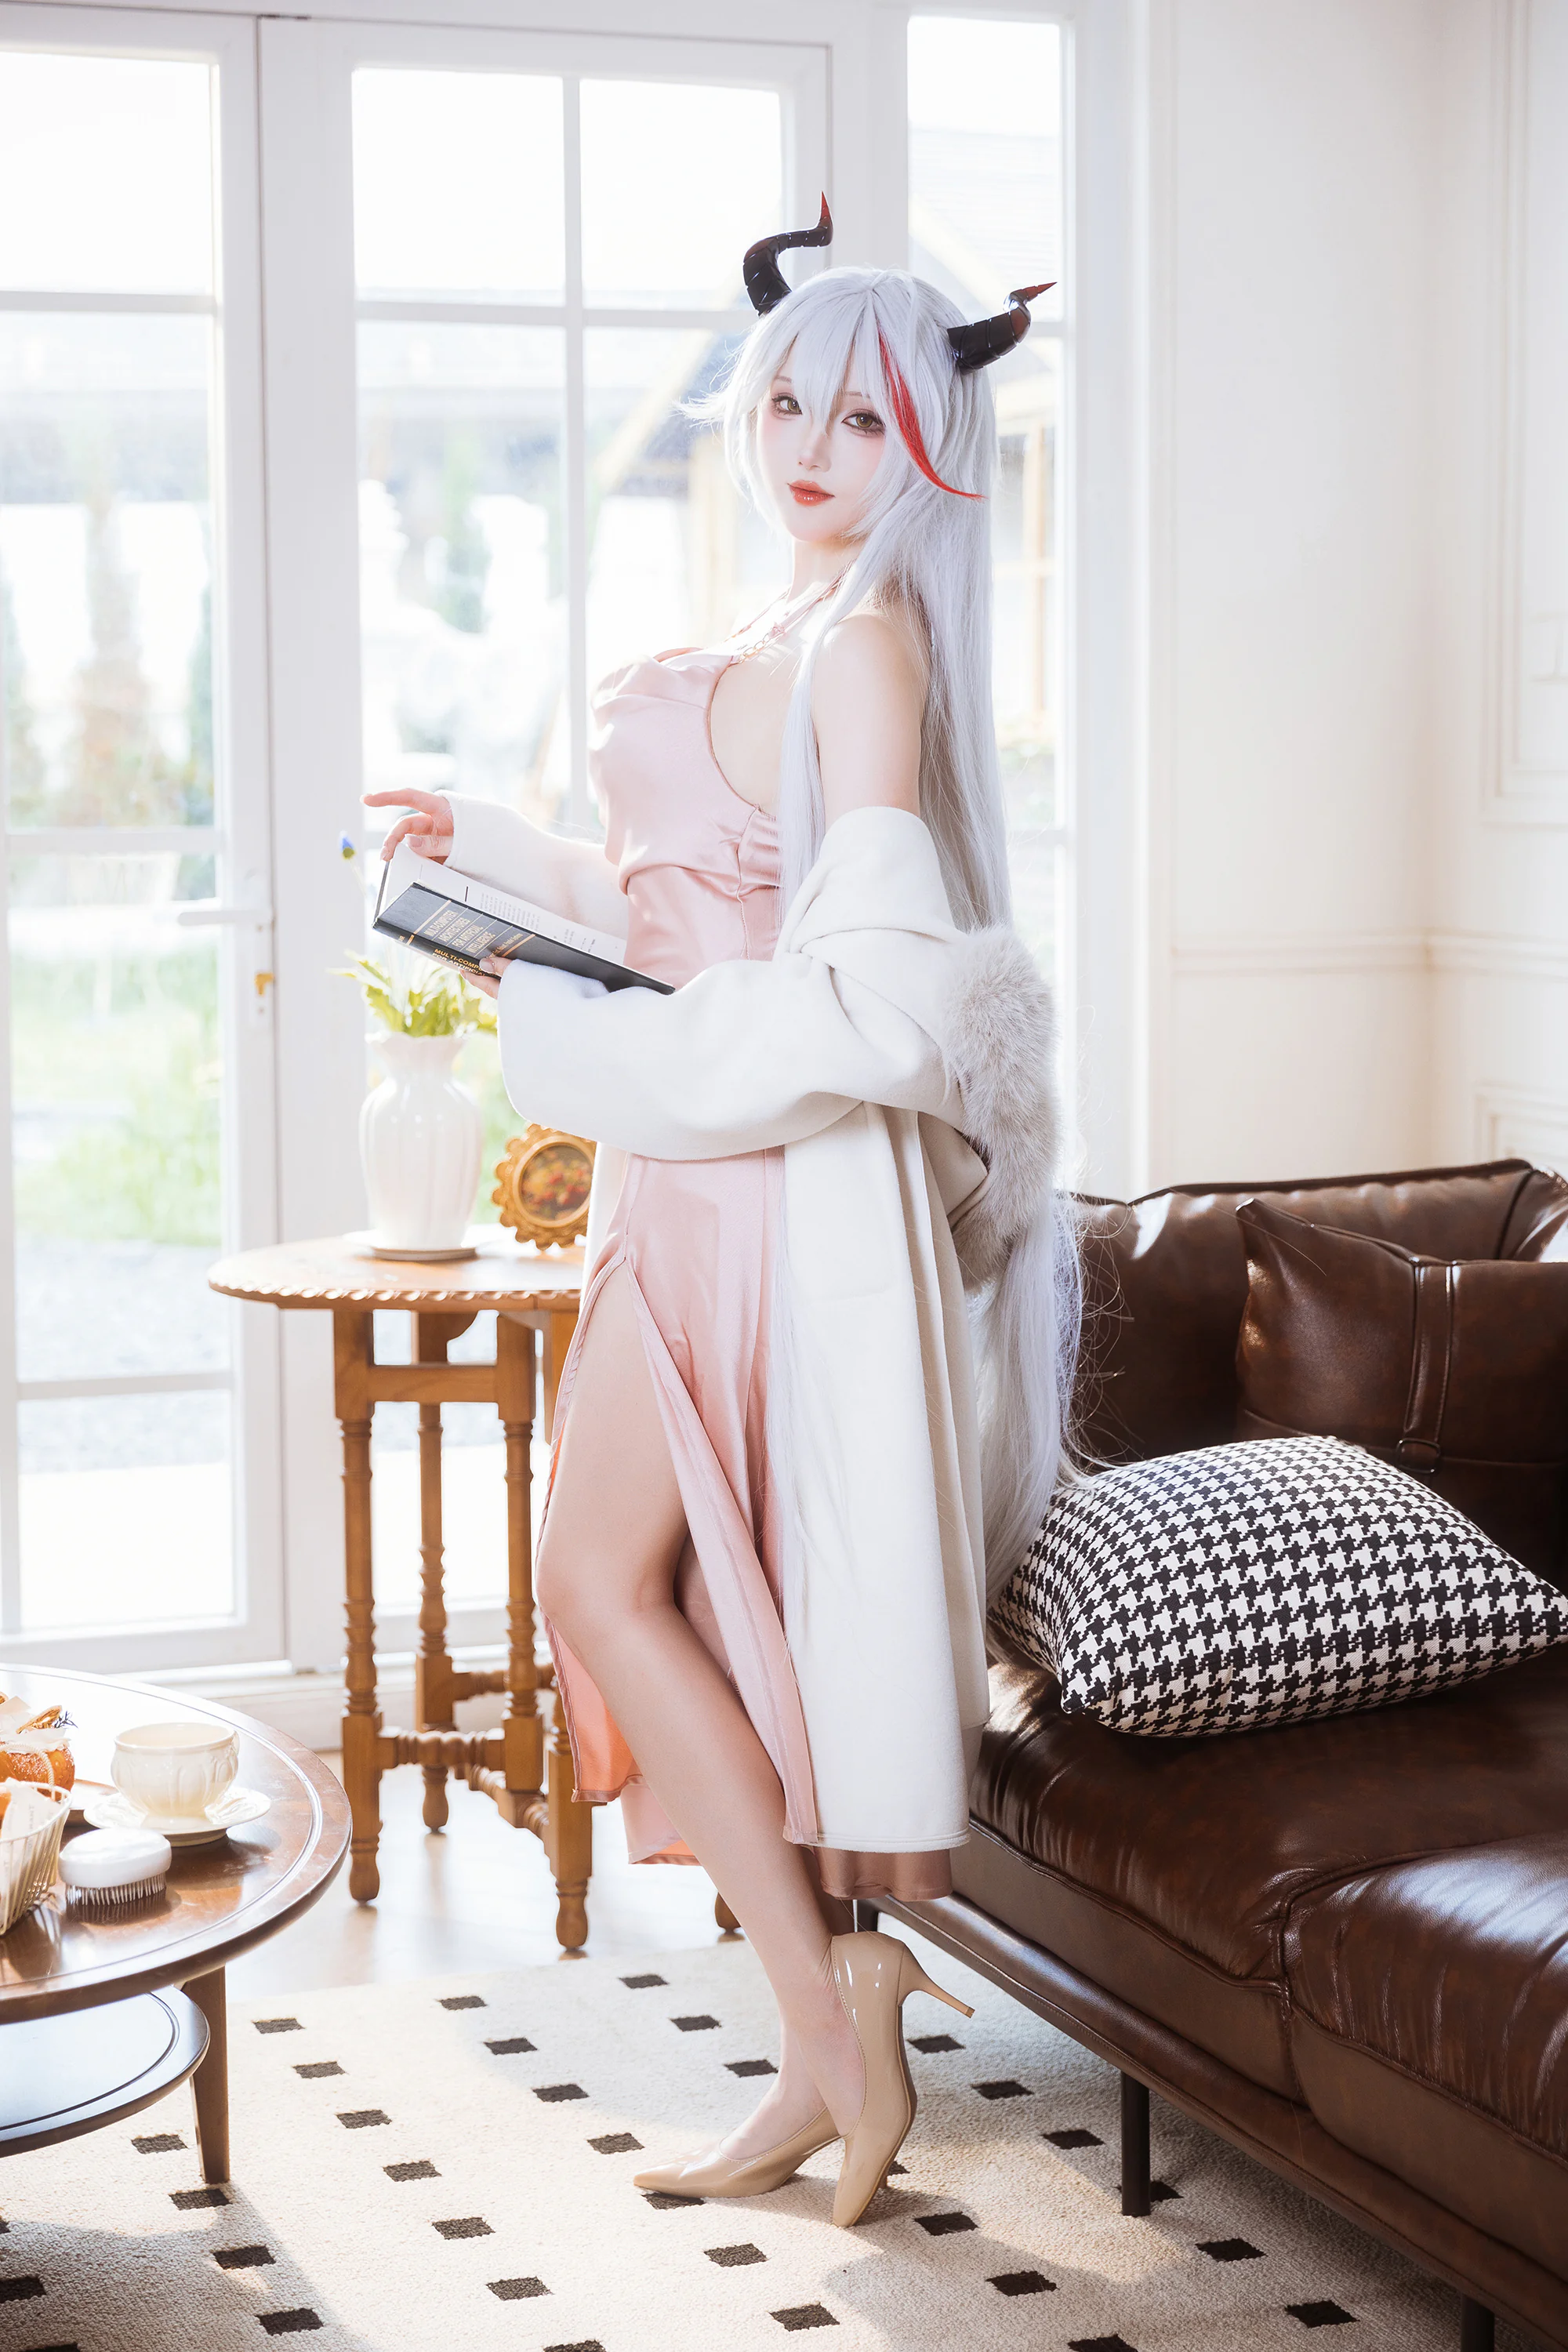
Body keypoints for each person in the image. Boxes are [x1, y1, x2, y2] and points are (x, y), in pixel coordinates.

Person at [365, 202, 1080, 2230]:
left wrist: (593, 1048)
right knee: (640, 1583)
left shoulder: (868, 646)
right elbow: (673, 904)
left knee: (597, 1576)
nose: (810, 448)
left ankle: (834, 2038)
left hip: (754, 1189)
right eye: (785, 404)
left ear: (930, 442)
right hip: (674, 1172)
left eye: (861, 419)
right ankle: (823, 2036)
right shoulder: (785, 629)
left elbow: (865, 1000)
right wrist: (496, 855)